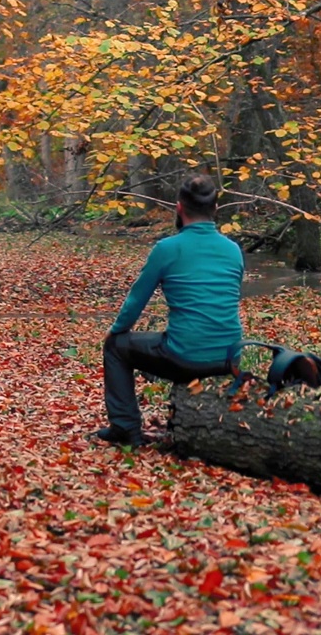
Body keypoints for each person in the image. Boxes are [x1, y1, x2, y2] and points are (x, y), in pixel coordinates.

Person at [93, 175, 243, 447]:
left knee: (116, 346)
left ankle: (125, 428)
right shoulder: (233, 250)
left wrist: (114, 331)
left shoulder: (166, 249)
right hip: (229, 358)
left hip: (186, 356)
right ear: (216, 210)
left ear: (179, 208)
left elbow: (135, 303)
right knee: (169, 337)